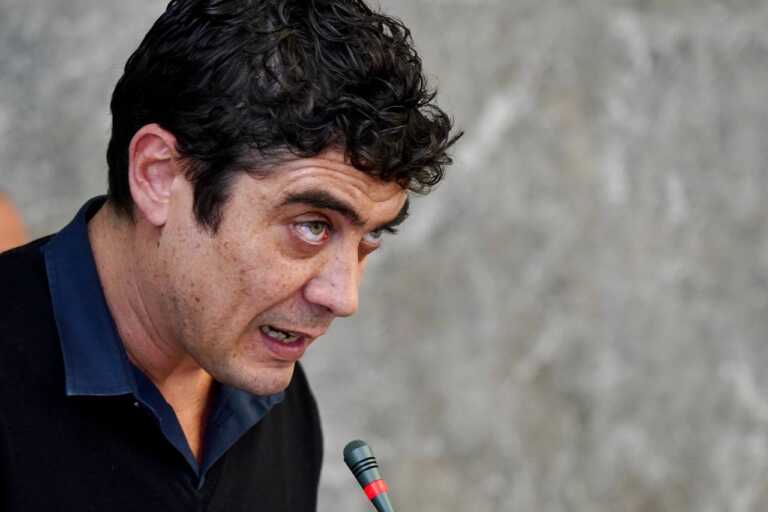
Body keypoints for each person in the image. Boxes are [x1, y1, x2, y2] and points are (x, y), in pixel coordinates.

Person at [0, 1, 459, 511]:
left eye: (368, 238)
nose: (343, 296)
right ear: (158, 176)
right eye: (312, 226)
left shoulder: (275, 398)